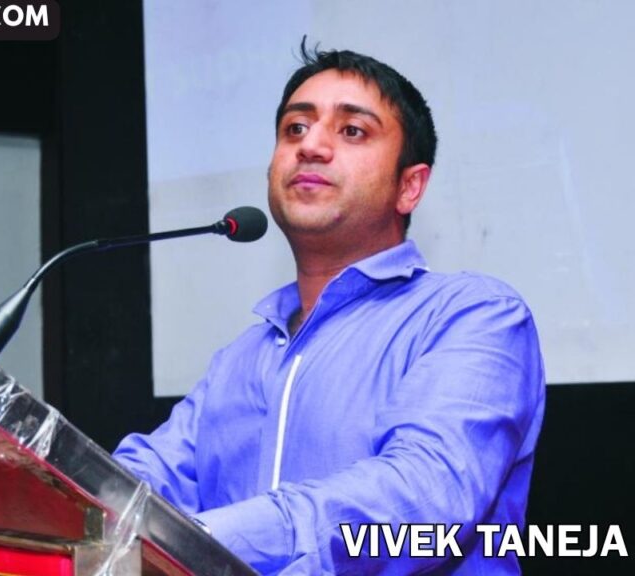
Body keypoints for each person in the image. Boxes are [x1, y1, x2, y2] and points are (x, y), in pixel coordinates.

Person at [113, 42, 546, 575]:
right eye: (295, 128)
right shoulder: (240, 359)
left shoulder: (474, 316)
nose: (311, 146)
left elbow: (421, 498)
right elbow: (141, 484)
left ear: (409, 186)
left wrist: (203, 541)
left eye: (352, 131)